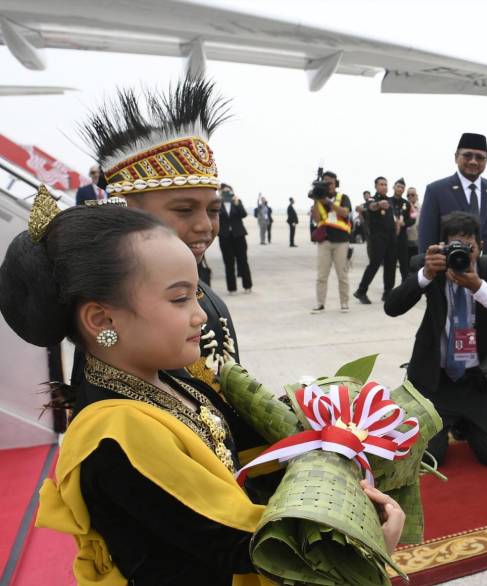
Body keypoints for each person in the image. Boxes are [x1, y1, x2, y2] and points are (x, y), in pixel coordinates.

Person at [0, 198, 406, 585]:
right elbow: (249, 546)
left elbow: (245, 446)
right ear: (102, 318)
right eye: (179, 298)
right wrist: (356, 541)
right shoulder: (119, 435)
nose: (199, 314)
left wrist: (329, 433)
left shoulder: (165, 379)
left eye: (196, 293)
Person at [77, 79, 266, 471]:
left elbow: (224, 412)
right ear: (124, 210)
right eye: (184, 210)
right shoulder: (122, 317)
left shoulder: (205, 296)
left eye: (212, 210)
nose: (205, 227)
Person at [385, 211, 487, 466]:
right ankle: (453, 422)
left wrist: (477, 286)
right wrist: (425, 275)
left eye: (469, 246)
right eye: (453, 247)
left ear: (480, 247)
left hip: (477, 379)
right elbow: (392, 307)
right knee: (429, 457)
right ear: (441, 248)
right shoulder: (427, 267)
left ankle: (474, 422)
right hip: (436, 381)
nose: (462, 254)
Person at [419, 133, 487, 284]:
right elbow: (427, 240)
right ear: (456, 156)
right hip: (448, 277)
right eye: (467, 155)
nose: (473, 161)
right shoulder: (436, 191)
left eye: (480, 157)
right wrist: (428, 275)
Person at [312, 171, 353, 313]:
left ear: (336, 183)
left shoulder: (343, 197)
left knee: (342, 274)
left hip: (341, 241)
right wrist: (316, 200)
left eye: (330, 182)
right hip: (324, 241)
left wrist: (328, 202)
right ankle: (320, 303)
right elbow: (317, 220)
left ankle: (344, 303)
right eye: (325, 182)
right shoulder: (319, 199)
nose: (328, 185)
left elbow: (345, 213)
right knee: (321, 275)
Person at [355, 177, 398, 304]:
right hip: (378, 238)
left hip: (391, 238)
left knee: (390, 266)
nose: (384, 186)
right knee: (374, 264)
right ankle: (361, 291)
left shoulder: (390, 200)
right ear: (376, 186)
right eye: (381, 184)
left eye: (386, 184)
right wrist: (379, 204)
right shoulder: (371, 199)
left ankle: (388, 293)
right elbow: (368, 207)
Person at [218, 183, 253, 295]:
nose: (227, 193)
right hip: (225, 237)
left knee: (243, 261)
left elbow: (243, 214)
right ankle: (231, 288)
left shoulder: (237, 202)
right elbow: (213, 215)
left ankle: (247, 285)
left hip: (239, 236)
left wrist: (237, 204)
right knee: (228, 263)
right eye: (224, 192)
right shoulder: (218, 204)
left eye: (229, 191)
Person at [391, 178, 415, 282]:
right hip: (390, 238)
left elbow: (413, 219)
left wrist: (404, 223)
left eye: (402, 187)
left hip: (402, 238)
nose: (400, 189)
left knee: (404, 265)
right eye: (398, 186)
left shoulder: (407, 204)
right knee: (390, 265)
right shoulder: (388, 201)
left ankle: (405, 288)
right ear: (394, 187)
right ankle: (388, 292)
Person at [406, 186, 420, 260]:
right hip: (406, 242)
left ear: (417, 196)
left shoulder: (422, 208)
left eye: (412, 195)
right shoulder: (404, 208)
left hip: (418, 241)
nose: (410, 196)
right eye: (408, 195)